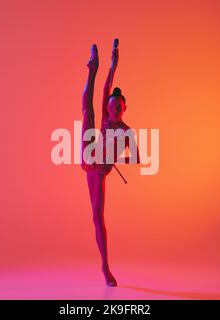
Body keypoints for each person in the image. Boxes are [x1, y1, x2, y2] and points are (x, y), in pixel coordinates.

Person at [80, 39, 140, 286]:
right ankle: (93, 69)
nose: (114, 108)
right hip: (88, 153)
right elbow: (107, 90)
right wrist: (112, 67)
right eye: (112, 105)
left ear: (125, 107)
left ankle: (105, 266)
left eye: (118, 106)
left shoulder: (127, 132)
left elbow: (135, 157)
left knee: (97, 217)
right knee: (88, 112)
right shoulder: (105, 117)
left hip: (98, 172)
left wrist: (114, 160)